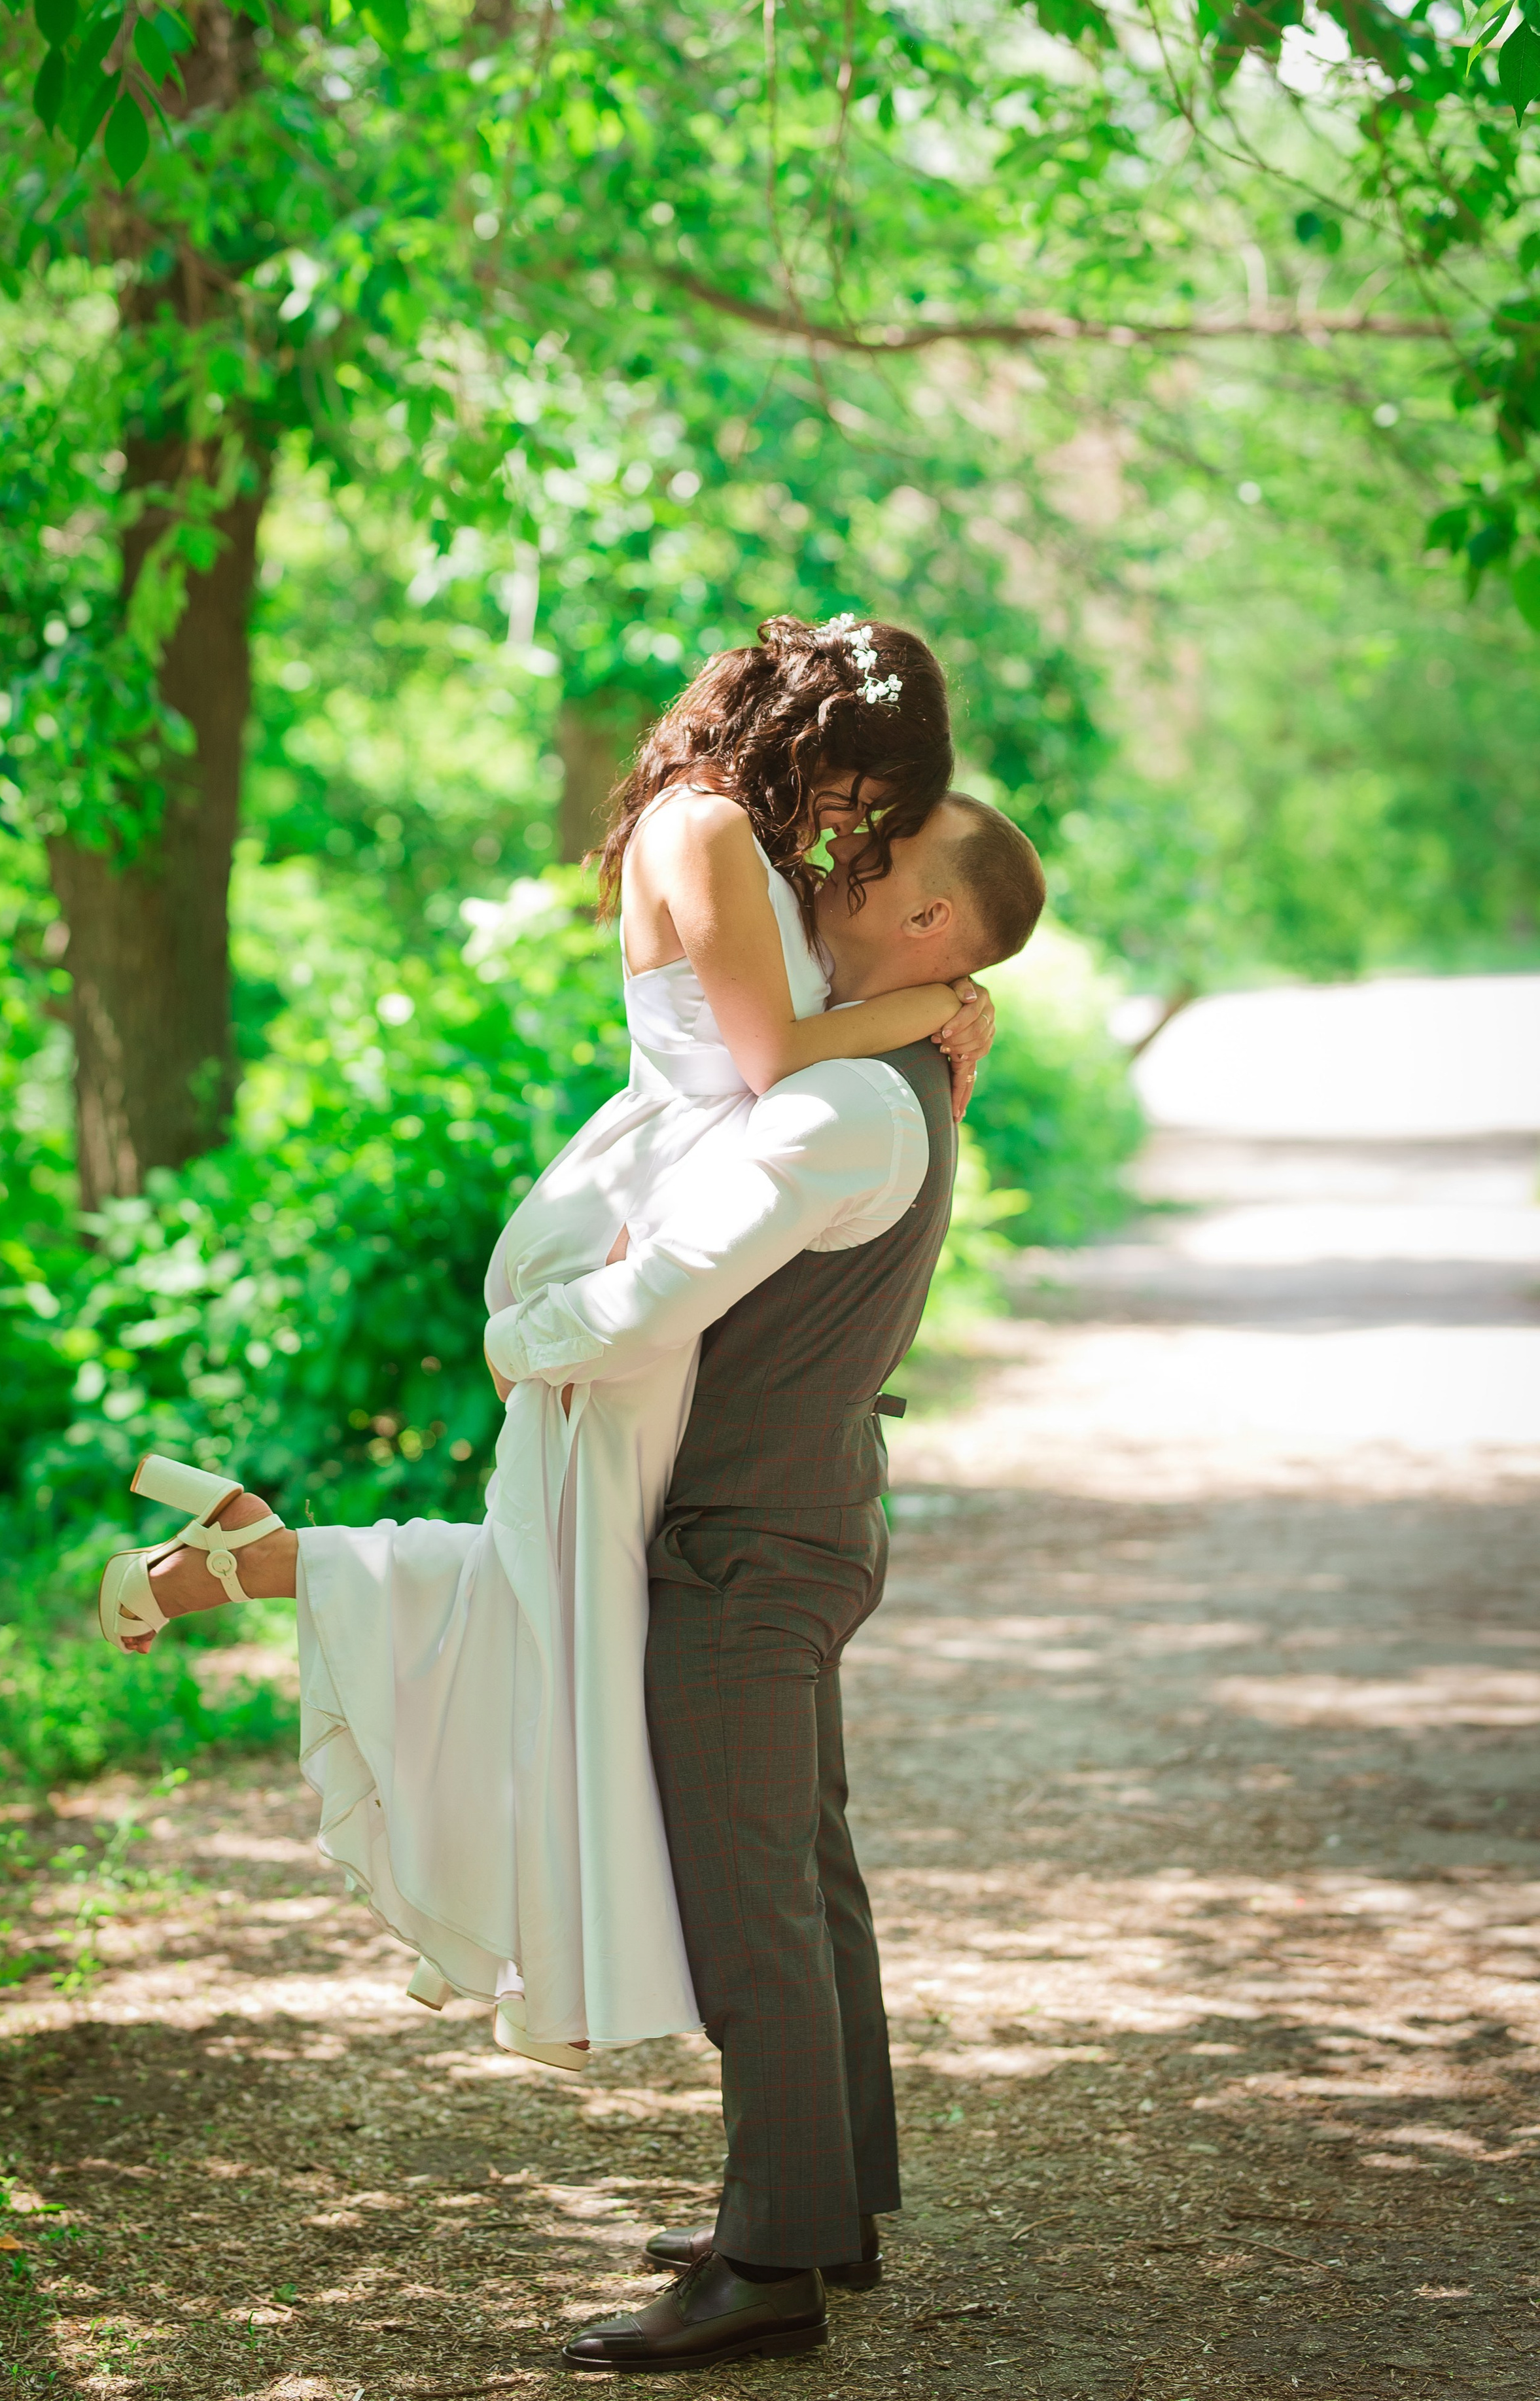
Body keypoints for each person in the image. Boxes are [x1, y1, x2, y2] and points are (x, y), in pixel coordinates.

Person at [94, 616, 1026, 2072]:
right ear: (813, 734)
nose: (860, 827)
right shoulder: (707, 824)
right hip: (631, 1227)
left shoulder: (754, 839)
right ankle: (268, 1572)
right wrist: (932, 1007)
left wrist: (922, 1013)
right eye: (862, 789)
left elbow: (788, 1050)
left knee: (567, 1600)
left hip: (670, 1221)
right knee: (562, 1602)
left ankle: (264, 1561)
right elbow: (769, 1054)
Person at [478, 789, 1043, 2367]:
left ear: (930, 926)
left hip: (751, 1539)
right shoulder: (892, 1076)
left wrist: (515, 1342)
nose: (831, 873)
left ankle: (772, 2263)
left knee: (755, 1901)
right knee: (802, 1863)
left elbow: (654, 1298)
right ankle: (829, 2195)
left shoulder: (836, 1103)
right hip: (797, 1515)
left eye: (874, 867)